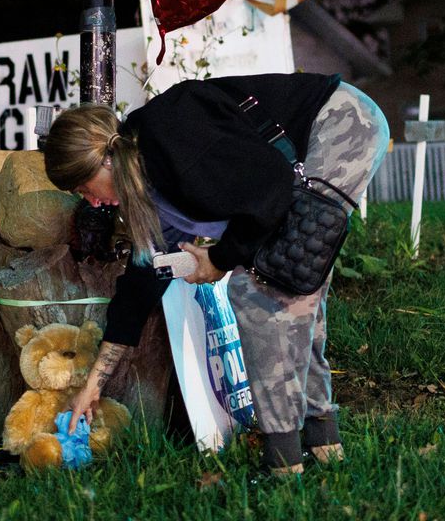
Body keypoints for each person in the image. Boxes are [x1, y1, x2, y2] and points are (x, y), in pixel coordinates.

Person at [41, 72, 388, 475]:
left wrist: (218, 260)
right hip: (307, 151)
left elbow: (268, 191)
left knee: (261, 290)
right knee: (291, 283)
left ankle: (284, 463)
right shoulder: (142, 190)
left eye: (86, 188)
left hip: (341, 123)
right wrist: (93, 386)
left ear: (104, 160)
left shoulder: (170, 142)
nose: (94, 203)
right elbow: (139, 285)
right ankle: (323, 443)